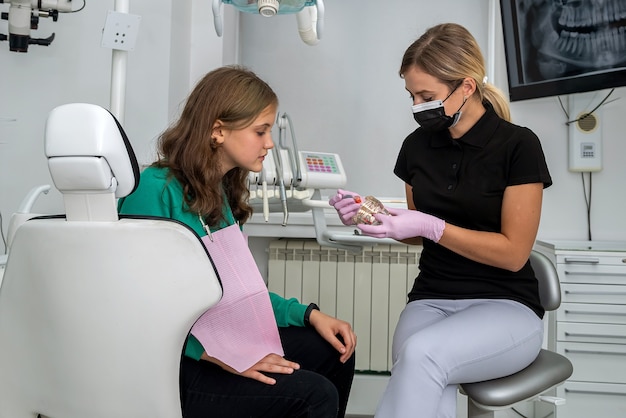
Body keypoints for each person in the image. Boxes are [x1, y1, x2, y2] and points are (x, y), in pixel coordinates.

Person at [329, 23, 552, 418]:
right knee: (425, 371)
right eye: (412, 95)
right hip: (431, 299)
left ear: (466, 86)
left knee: (422, 356)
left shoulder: (518, 146)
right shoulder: (416, 147)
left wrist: (434, 226)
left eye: (426, 96)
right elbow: (417, 234)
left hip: (506, 304)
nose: (417, 105)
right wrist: (371, 216)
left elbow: (514, 254)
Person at [118, 65, 356, 418]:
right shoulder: (154, 190)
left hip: (219, 343)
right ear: (218, 131)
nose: (270, 143)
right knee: (313, 395)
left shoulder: (218, 193)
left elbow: (242, 295)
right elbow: (136, 307)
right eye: (260, 131)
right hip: (173, 365)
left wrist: (308, 315)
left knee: (332, 348)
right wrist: (220, 356)